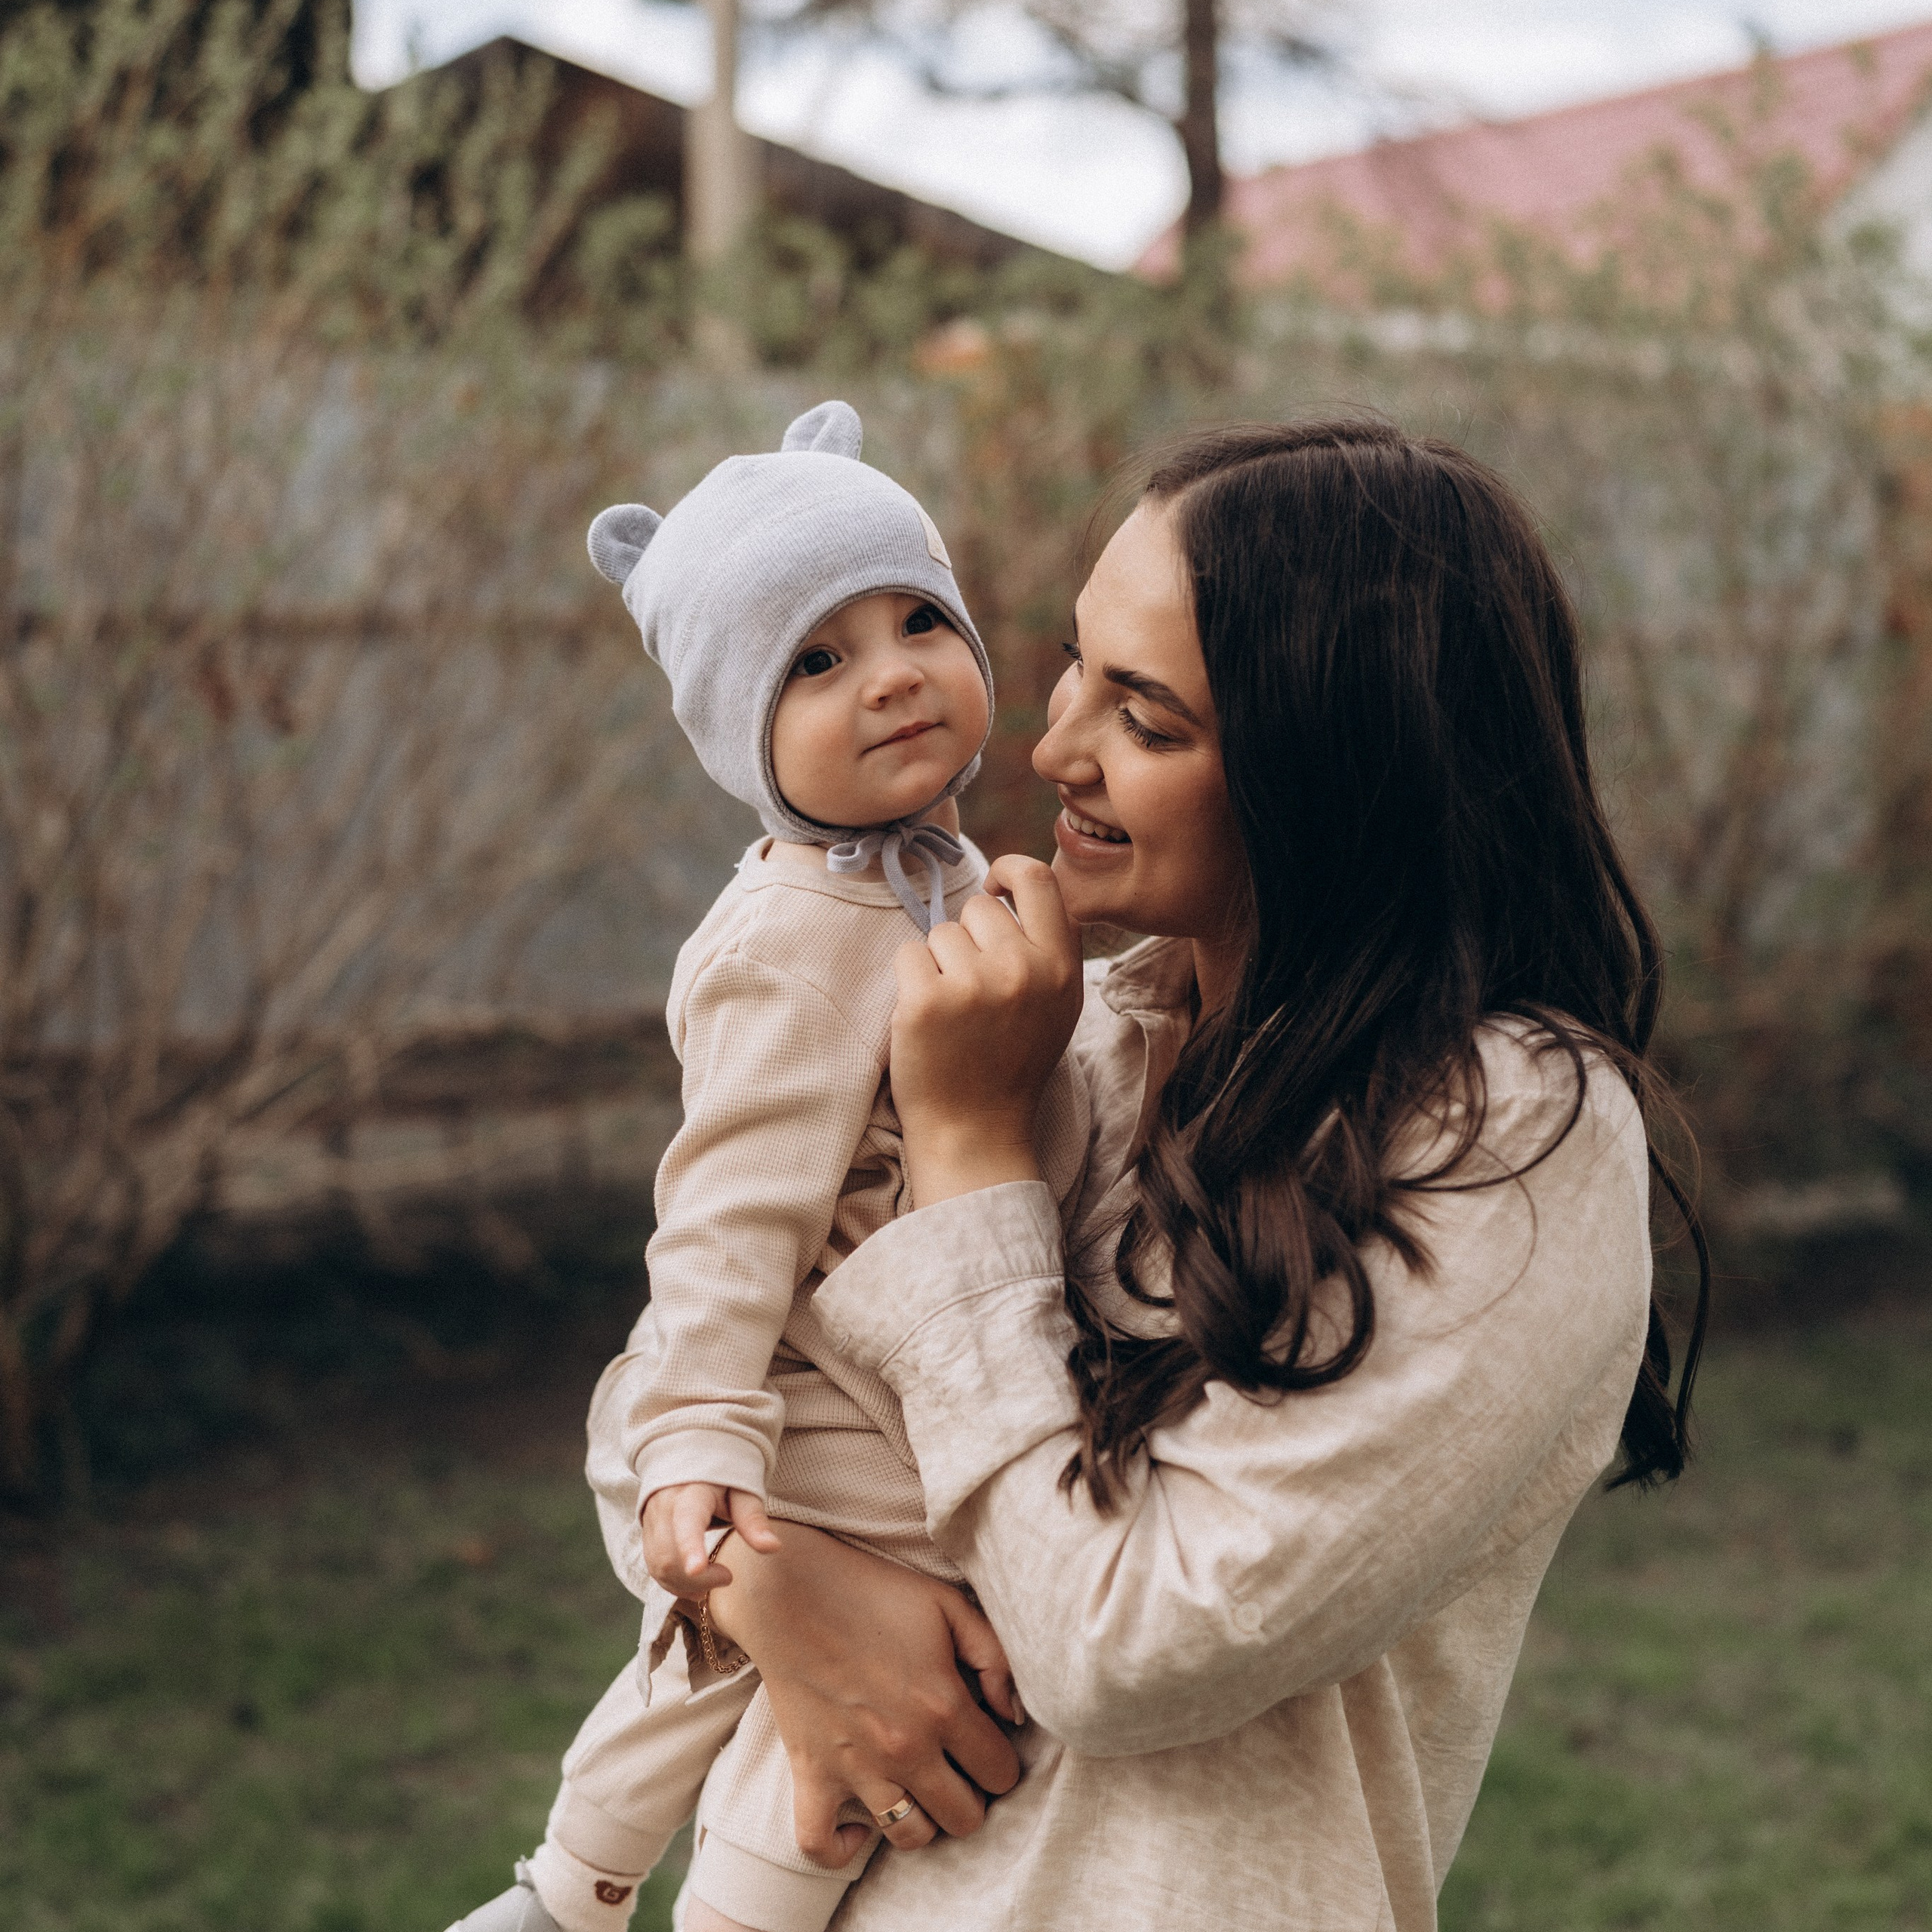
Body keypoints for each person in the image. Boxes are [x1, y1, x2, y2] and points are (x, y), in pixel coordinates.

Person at [660, 417, 1711, 1929]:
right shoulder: (1076, 1034)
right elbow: (712, 1335)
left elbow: (1125, 1647)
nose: (1051, 746)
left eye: (1147, 719)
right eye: (1073, 663)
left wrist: (959, 1149)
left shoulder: (1501, 1138)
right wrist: (772, 1594)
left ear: (1334, 773)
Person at [449, 401, 1084, 1932]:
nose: (887, 675)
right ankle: (632, 1892)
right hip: (830, 1385)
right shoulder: (803, 933)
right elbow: (724, 1216)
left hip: (894, 1351)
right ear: (742, 728)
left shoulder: (921, 885)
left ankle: (573, 1888)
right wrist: (696, 1433)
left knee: (748, 1648)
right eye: (814, 659)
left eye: (916, 618)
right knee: (895, 1624)